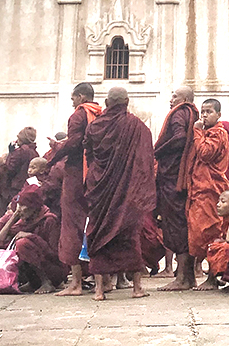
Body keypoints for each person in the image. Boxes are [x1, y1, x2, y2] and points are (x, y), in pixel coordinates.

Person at [83, 87, 156, 301]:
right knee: (128, 237)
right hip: (126, 192)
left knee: (98, 234)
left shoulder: (95, 126)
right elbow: (145, 161)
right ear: (126, 102)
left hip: (100, 188)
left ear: (106, 102)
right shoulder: (136, 126)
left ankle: (99, 290)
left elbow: (88, 153)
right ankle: (137, 288)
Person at [48, 83, 102, 296]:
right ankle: (102, 282)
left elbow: (74, 144)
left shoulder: (78, 116)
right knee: (94, 223)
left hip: (76, 175)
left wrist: (54, 156)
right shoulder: (101, 115)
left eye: (73, 98)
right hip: (96, 176)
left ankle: (76, 283)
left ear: (81, 97)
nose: (72, 102)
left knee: (72, 226)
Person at [0, 185, 67, 294]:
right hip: (30, 272)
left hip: (52, 270)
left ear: (33, 207)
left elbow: (54, 254)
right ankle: (33, 282)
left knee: (22, 244)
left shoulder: (49, 220)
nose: (20, 210)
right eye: (18, 206)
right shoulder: (23, 220)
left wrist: (31, 237)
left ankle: (46, 282)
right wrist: (14, 217)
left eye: (23, 207)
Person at [184, 99, 229, 290]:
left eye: (209, 112)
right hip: (200, 188)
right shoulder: (207, 133)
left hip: (211, 189)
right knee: (199, 234)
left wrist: (196, 131)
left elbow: (204, 153)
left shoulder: (218, 133)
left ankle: (212, 278)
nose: (204, 115)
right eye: (202, 112)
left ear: (218, 115)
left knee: (210, 232)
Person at [154, 86, 198, 291]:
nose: (171, 99)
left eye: (175, 96)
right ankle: (187, 276)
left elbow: (180, 138)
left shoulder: (180, 113)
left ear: (186, 99)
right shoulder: (190, 114)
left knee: (177, 224)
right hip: (179, 175)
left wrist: (159, 151)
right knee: (182, 223)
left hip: (173, 177)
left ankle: (182, 278)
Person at [0, 128, 39, 219]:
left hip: (13, 187)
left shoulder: (21, 151)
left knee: (3, 213)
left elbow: (10, 168)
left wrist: (11, 153)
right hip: (24, 186)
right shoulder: (35, 153)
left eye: (19, 138)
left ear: (23, 138)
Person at [196, 190, 229, 291]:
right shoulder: (226, 218)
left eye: (223, 202)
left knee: (218, 248)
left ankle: (212, 280)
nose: (218, 204)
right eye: (219, 201)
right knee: (214, 243)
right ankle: (215, 279)